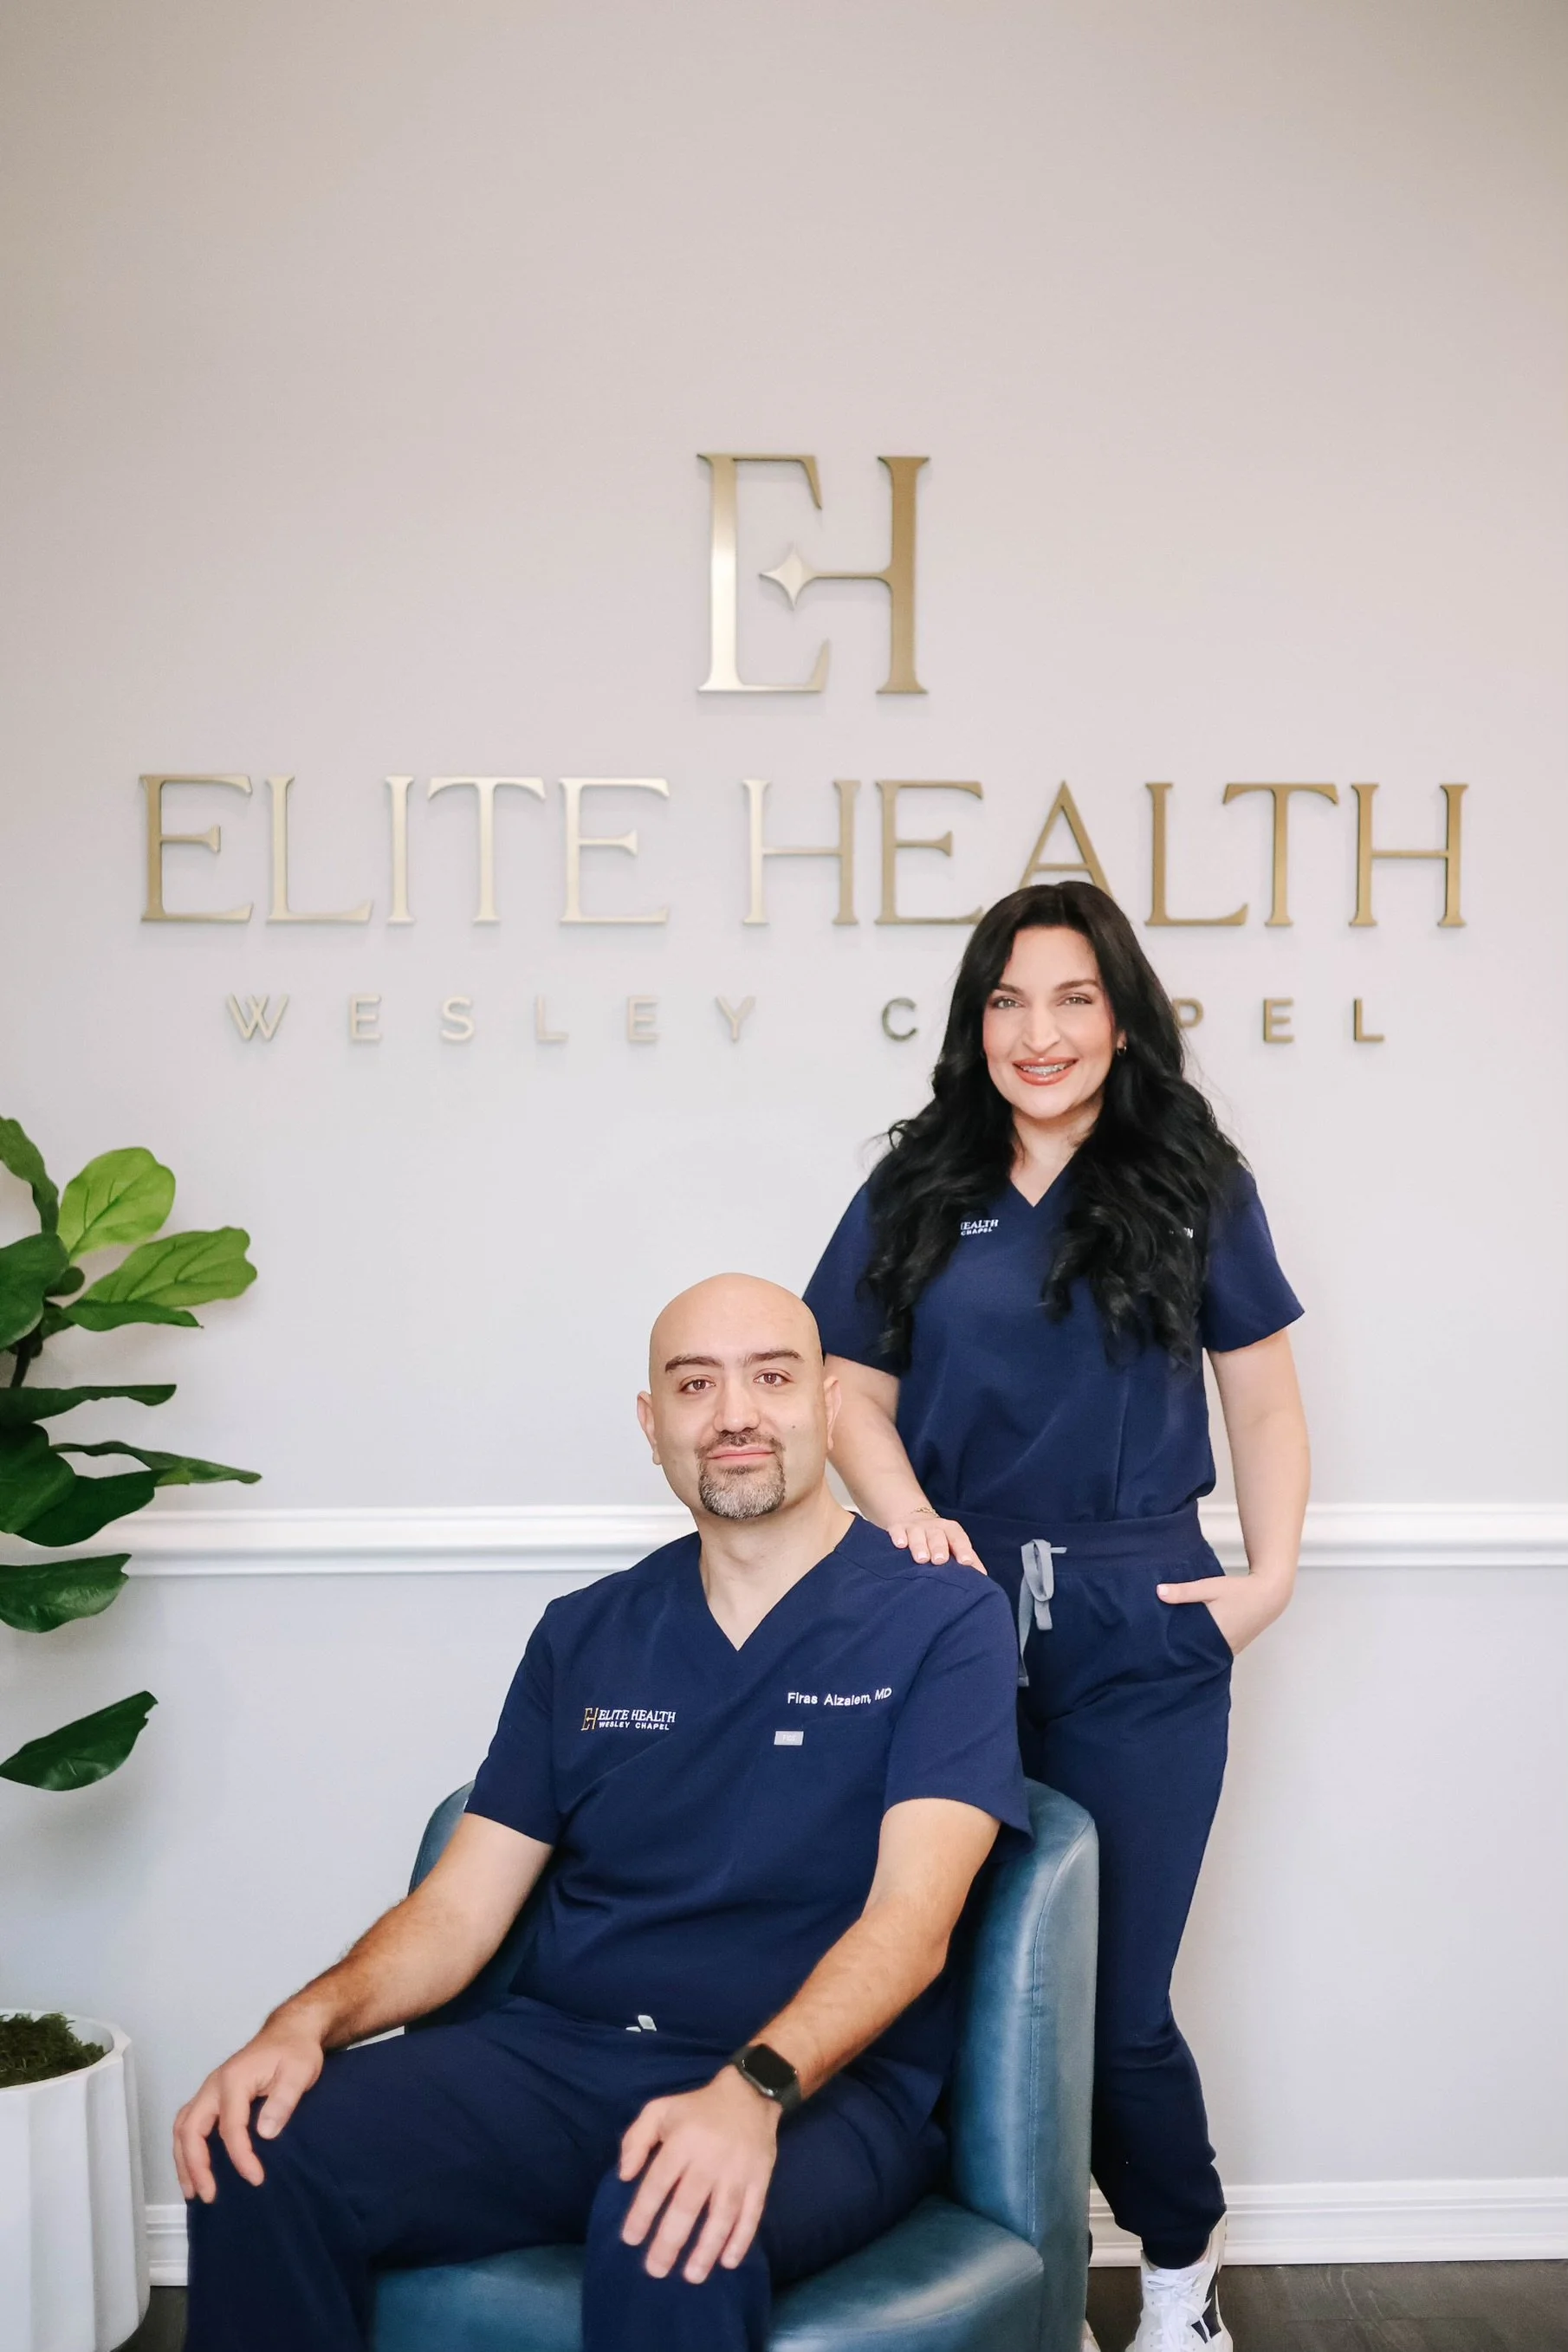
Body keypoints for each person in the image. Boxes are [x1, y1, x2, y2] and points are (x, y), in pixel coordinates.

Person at [175, 1274, 1029, 2352]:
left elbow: (911, 1923)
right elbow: (458, 1912)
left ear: (826, 1407)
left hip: (821, 2086)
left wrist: (751, 2090)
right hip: (563, 2058)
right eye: (693, 1384)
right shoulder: (582, 1632)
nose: (733, 1414)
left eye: (771, 1377)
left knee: (666, 2218)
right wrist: (305, 2022)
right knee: (265, 2141)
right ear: (651, 1424)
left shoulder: (942, 1617)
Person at [804, 880, 1309, 2352]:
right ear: (976, 1022)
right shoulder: (915, 1185)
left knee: (1114, 1997)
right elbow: (846, 1388)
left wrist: (1263, 1584)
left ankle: (1175, 2288)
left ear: (1122, 1015)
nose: (1041, 1032)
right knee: (940, 1974)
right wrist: (904, 1517)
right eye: (1010, 1000)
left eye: (1074, 998)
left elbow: (1264, 1399)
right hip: (945, 1624)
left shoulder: (1192, 1176)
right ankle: (1020, 2302)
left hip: (1138, 1619)